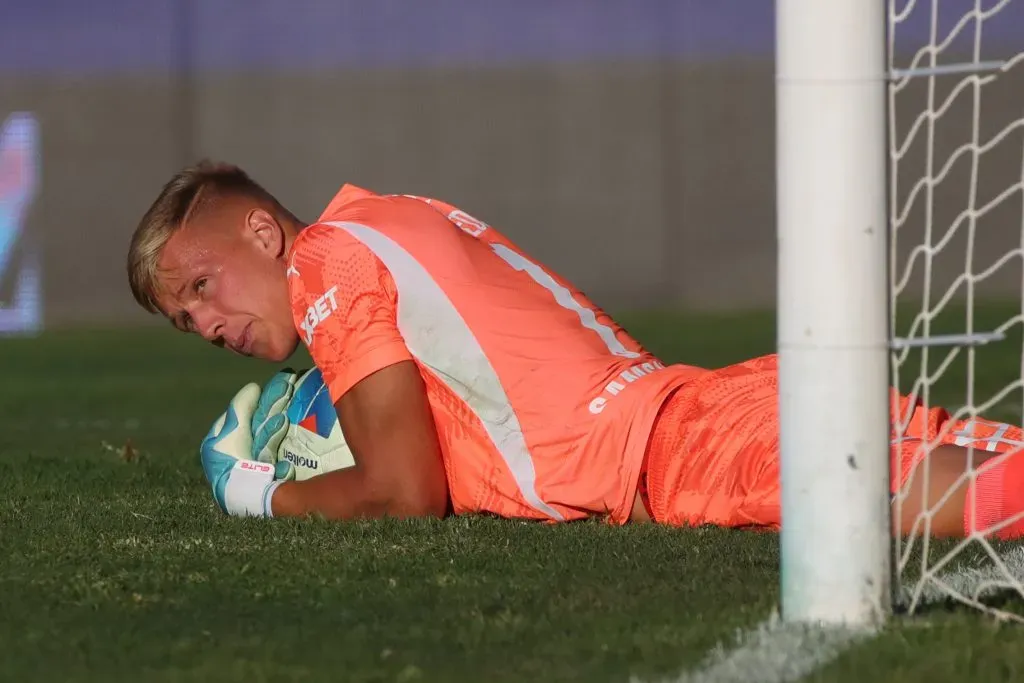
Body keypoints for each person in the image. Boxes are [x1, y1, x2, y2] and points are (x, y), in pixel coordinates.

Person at [127, 161, 1024, 539]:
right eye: (183, 321)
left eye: (200, 287)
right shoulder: (383, 213)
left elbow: (404, 494)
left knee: (939, 515)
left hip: (677, 449)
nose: (205, 324)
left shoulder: (326, 260)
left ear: (261, 229)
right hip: (713, 405)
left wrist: (262, 494)